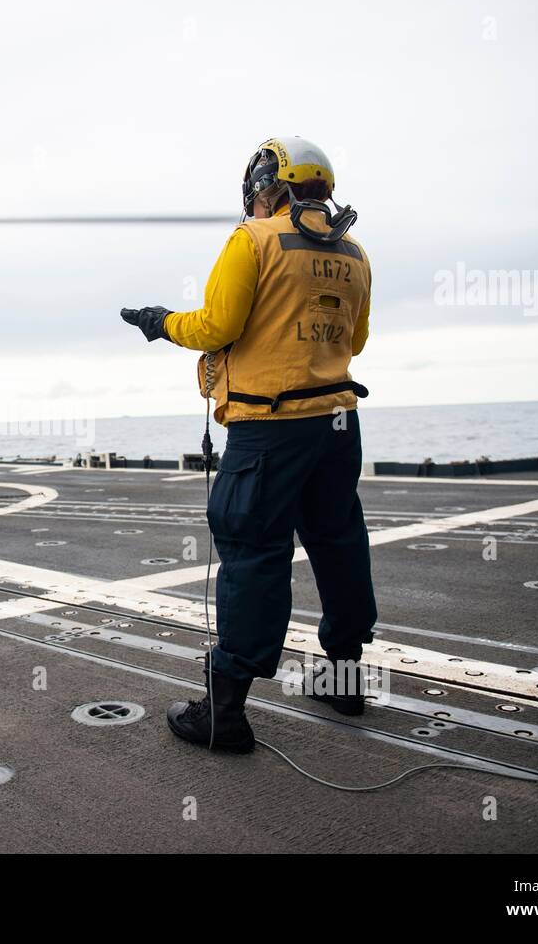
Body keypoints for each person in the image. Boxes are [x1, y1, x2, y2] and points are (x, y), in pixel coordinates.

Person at [121, 136, 377, 753]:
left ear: (270, 186)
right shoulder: (355, 253)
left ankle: (225, 712)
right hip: (338, 425)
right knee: (339, 545)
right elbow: (357, 342)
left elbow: (217, 326)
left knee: (254, 554)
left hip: (269, 429)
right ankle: (343, 682)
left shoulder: (253, 241)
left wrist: (161, 324)